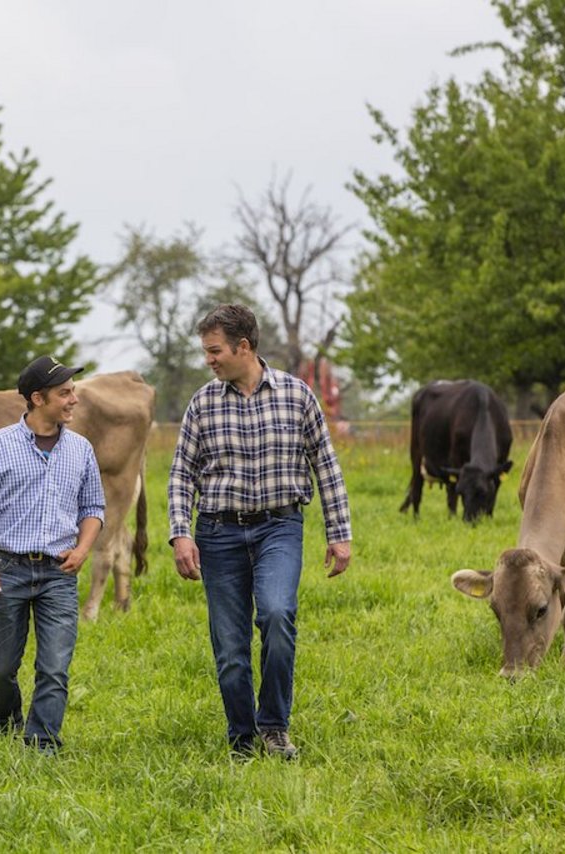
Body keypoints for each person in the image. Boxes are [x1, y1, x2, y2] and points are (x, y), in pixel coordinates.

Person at [168, 304, 352, 759]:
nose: (209, 359)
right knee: (231, 647)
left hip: (279, 527)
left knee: (276, 613)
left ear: (244, 347)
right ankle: (242, 739)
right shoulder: (202, 403)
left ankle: (273, 727)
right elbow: (181, 474)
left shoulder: (296, 394)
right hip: (218, 533)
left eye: (215, 351)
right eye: (206, 351)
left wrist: (339, 532)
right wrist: (180, 533)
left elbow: (325, 464)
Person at [0, 355, 106, 753]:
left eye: (73, 391)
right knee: (1, 669)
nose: (74, 399)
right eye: (65, 393)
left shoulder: (81, 449)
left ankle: (42, 744)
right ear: (38, 398)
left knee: (54, 667)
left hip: (60, 572)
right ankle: (6, 728)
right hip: (7, 568)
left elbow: (94, 507)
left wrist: (83, 549)